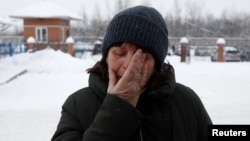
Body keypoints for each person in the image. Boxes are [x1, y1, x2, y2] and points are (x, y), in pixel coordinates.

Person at [51, 6, 212, 141]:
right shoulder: (78, 105)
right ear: (106, 57)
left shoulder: (186, 102)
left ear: (156, 65)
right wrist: (118, 108)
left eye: (142, 58)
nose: (129, 66)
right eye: (120, 53)